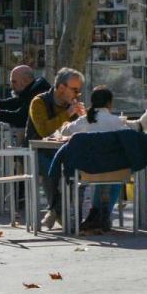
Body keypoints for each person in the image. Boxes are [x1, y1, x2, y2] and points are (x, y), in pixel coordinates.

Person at [52, 86, 125, 232]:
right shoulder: (116, 121)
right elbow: (130, 135)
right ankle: (102, 215)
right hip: (112, 169)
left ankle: (84, 218)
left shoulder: (84, 120)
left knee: (83, 181)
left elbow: (65, 131)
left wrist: (67, 123)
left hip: (86, 169)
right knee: (111, 180)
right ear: (110, 104)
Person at [29, 67, 86, 229]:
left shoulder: (72, 106)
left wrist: (84, 118)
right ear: (61, 88)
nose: (77, 94)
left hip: (66, 151)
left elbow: (82, 131)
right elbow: (44, 131)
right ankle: (59, 211)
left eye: (79, 90)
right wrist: (67, 114)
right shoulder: (39, 102)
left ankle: (55, 211)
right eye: (75, 90)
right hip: (38, 150)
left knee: (79, 169)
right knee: (51, 168)